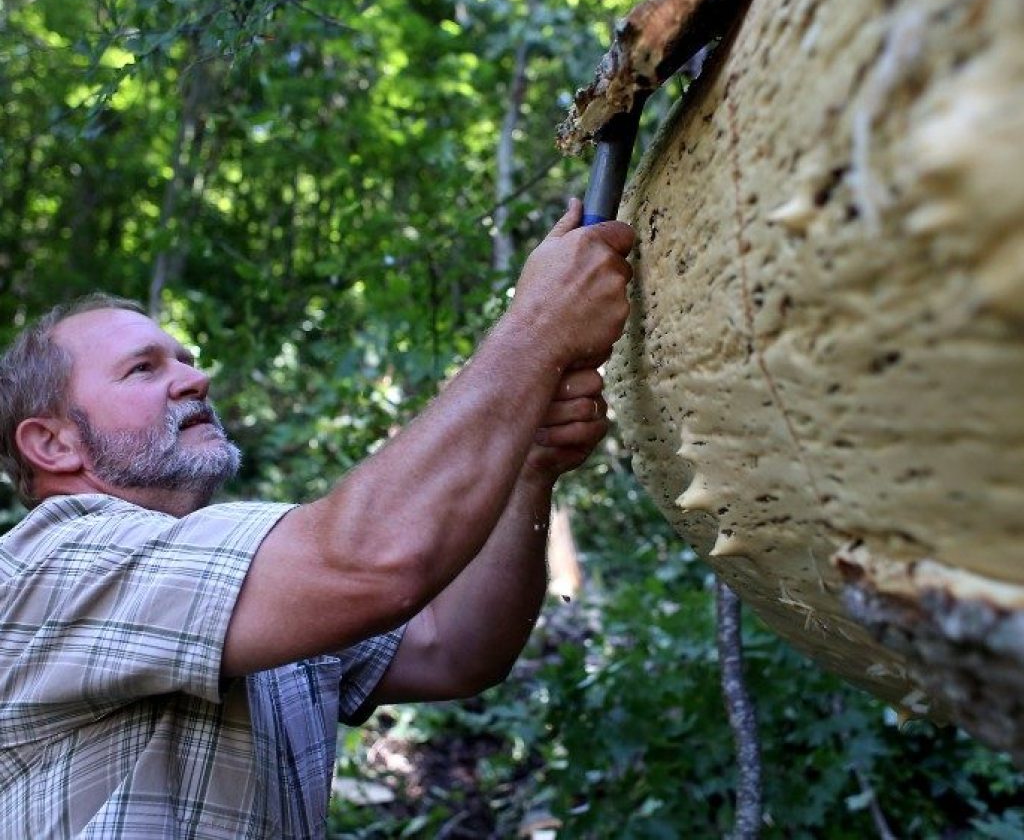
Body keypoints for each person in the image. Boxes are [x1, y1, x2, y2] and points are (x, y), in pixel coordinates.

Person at [0, 199, 634, 839]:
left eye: (186, 359)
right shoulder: (45, 568)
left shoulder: (234, 579)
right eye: (144, 368)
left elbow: (454, 650)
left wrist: (530, 469)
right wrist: (538, 328)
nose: (196, 379)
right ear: (52, 444)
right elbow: (371, 562)